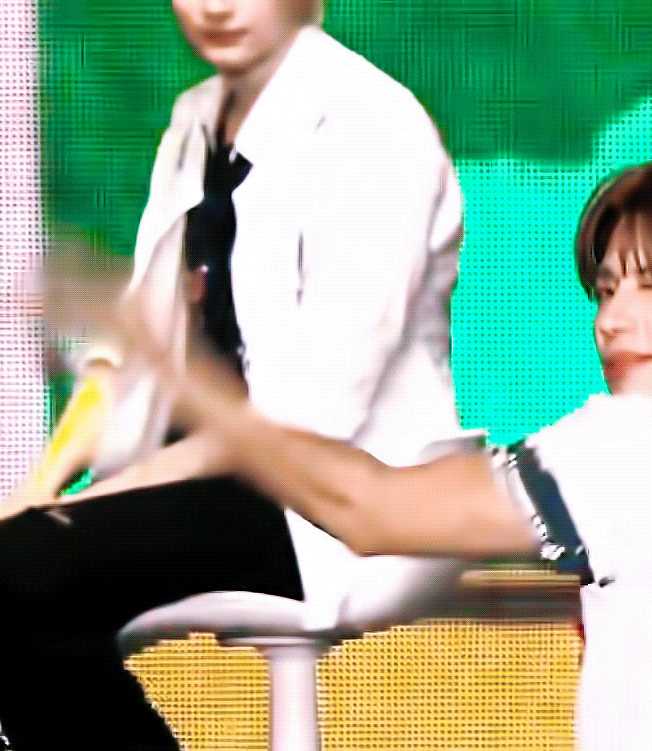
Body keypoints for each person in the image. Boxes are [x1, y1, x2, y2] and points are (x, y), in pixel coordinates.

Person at [123, 151, 652, 750]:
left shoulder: (645, 442)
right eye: (607, 289)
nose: (612, 319)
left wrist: (199, 387)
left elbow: (370, 511)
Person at [0, 0, 470, 747]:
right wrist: (44, 485)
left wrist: (100, 497)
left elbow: (308, 408)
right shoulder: (194, 121)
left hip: (332, 492)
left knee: (22, 570)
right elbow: (132, 353)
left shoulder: (375, 128)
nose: (216, 5)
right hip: (206, 476)